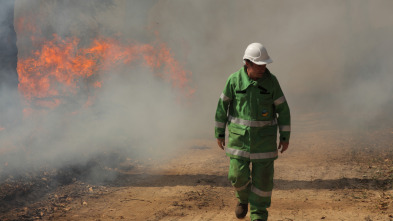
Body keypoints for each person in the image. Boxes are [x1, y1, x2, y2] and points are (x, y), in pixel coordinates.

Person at [214, 43, 291, 221]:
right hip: (238, 143)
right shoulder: (234, 81)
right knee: (237, 176)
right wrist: (219, 133)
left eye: (264, 65)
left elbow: (283, 110)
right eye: (259, 65)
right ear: (247, 63)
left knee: (263, 184)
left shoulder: (272, 83)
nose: (263, 68)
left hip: (264, 143)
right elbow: (221, 108)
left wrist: (285, 137)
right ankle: (243, 199)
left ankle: (258, 215)